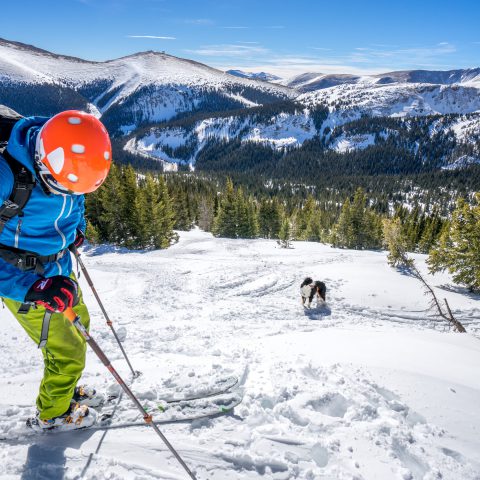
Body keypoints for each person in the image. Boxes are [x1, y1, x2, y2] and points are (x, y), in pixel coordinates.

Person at [0, 110, 112, 431]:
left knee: (79, 328)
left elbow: (77, 199)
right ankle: (53, 415)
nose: (69, 194)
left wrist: (77, 226)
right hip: (25, 279)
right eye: (58, 186)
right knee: (68, 351)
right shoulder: (7, 177)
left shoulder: (66, 159)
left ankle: (63, 388)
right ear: (42, 161)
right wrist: (31, 289)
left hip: (59, 268)